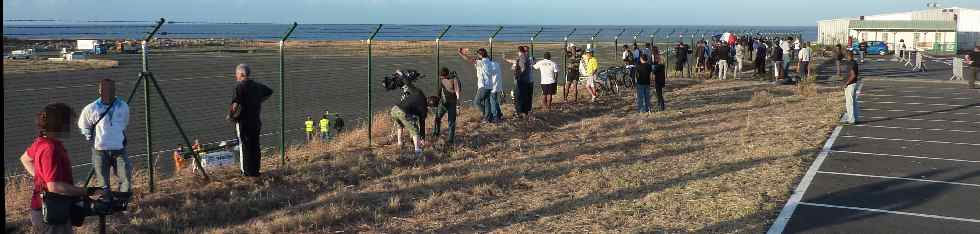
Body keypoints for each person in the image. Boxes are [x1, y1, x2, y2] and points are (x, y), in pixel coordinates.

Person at [22, 103, 88, 234]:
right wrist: (86, 191)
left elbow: (25, 158)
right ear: (59, 123)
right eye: (68, 121)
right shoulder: (50, 148)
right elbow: (54, 186)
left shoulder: (42, 142)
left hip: (50, 208)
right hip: (51, 212)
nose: (71, 125)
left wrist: (41, 177)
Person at [77, 78, 130, 200]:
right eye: (104, 89)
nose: (107, 92)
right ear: (99, 91)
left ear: (114, 90)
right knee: (103, 184)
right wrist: (90, 137)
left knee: (125, 179)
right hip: (100, 151)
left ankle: (122, 204)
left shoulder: (123, 106)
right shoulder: (91, 108)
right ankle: (107, 205)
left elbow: (124, 123)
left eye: (110, 89)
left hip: (119, 150)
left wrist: (117, 135)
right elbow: (83, 125)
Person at [227, 63, 273, 177]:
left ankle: (245, 172)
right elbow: (269, 92)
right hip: (256, 121)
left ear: (241, 74)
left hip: (243, 122)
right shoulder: (257, 85)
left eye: (237, 74)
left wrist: (230, 115)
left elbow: (235, 104)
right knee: (255, 146)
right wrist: (259, 101)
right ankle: (255, 171)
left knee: (244, 146)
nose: (236, 76)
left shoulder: (239, 86)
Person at [457, 48, 501, 122]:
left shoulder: (481, 62)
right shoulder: (489, 62)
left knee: (476, 102)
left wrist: (460, 53)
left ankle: (487, 114)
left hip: (483, 86)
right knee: (487, 103)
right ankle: (488, 117)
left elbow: (469, 59)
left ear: (480, 55)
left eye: (478, 54)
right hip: (490, 86)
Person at [390, 79, 431, 157]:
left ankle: (400, 143)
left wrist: (402, 76)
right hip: (402, 112)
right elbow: (422, 124)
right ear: (430, 106)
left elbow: (408, 84)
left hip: (394, 109)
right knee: (414, 130)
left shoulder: (419, 93)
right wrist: (422, 138)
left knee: (400, 125)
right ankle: (417, 150)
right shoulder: (424, 109)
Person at [431, 67, 460, 145]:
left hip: (452, 104)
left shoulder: (454, 80)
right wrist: (437, 100)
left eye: (441, 76)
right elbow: (440, 90)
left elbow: (457, 92)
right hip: (443, 103)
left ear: (445, 75)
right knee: (437, 117)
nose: (440, 78)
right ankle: (436, 133)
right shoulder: (442, 80)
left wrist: (458, 106)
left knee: (451, 122)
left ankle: (450, 140)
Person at [504, 46, 534, 117]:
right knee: (523, 97)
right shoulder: (525, 58)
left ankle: (520, 112)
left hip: (523, 81)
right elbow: (514, 62)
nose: (526, 52)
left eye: (527, 51)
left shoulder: (525, 58)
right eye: (525, 51)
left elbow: (522, 68)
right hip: (525, 81)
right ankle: (525, 111)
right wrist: (506, 59)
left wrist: (519, 75)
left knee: (519, 97)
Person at [843, 52, 861, 124]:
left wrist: (846, 83)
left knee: (849, 103)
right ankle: (856, 118)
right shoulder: (855, 62)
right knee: (854, 102)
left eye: (846, 56)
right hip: (854, 83)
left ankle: (851, 119)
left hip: (850, 85)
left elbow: (853, 75)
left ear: (849, 56)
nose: (846, 58)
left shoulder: (851, 63)